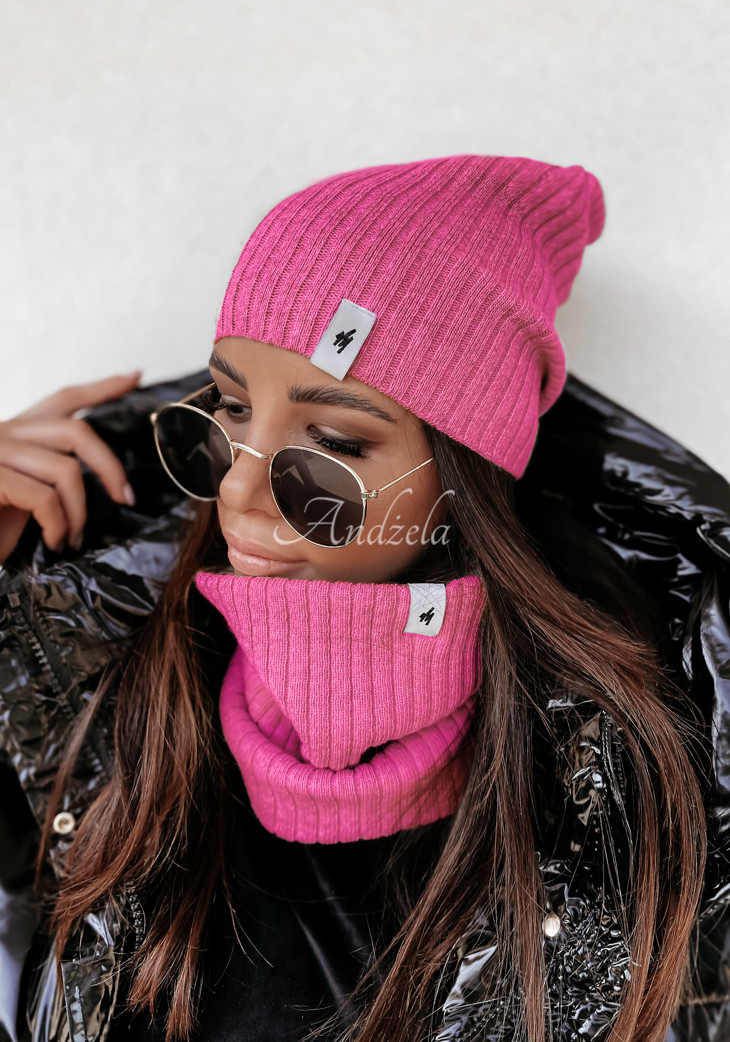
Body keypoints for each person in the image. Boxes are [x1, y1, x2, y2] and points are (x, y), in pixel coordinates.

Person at [1, 154, 730, 1042]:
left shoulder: (629, 780)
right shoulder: (91, 663)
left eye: (335, 443)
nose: (238, 489)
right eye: (230, 408)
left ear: (461, 481)